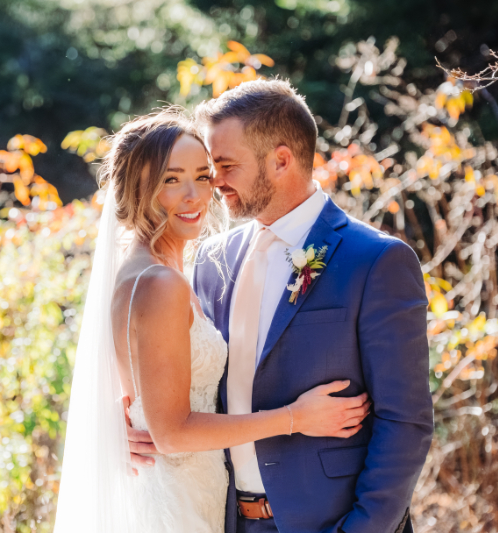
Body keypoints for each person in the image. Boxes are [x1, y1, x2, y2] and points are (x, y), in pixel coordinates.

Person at [53, 108, 371, 533]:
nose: (195, 195)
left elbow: (142, 397)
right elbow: (171, 434)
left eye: (203, 176)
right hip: (177, 501)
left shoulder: (161, 272)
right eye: (171, 179)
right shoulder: (159, 282)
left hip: (193, 491)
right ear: (138, 187)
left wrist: (121, 425)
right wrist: (295, 417)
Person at [176, 79, 432, 533]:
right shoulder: (211, 262)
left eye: (226, 165)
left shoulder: (375, 261)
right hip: (226, 519)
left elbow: (406, 422)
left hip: (329, 522)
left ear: (280, 160)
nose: (214, 182)